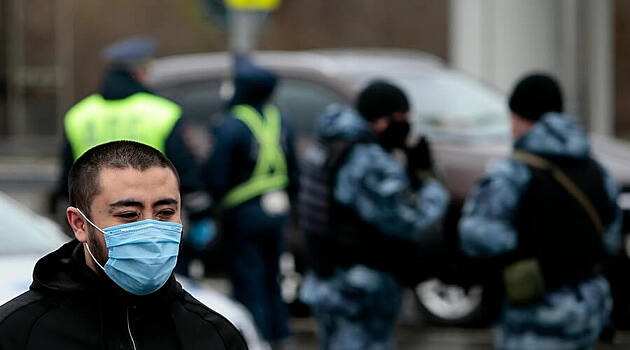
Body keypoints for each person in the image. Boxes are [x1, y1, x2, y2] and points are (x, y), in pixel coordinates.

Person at [0, 141, 247, 349]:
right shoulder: (19, 333)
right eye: (129, 215)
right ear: (79, 224)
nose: (151, 229)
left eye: (165, 212)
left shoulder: (214, 335)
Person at [458, 73, 622, 350]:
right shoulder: (598, 171)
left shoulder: (513, 172)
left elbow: (477, 236)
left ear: (521, 118)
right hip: (589, 308)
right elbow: (610, 239)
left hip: (535, 311)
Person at [298, 81, 449, 350]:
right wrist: (429, 182)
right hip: (361, 292)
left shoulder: (327, 145)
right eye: (402, 120)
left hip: (328, 283)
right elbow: (410, 222)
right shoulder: (367, 160)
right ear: (381, 120)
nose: (407, 129)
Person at [55, 35, 212, 272]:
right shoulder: (162, 112)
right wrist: (200, 215)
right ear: (139, 72)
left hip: (98, 226)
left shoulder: (79, 115)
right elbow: (186, 171)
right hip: (153, 221)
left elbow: (66, 179)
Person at [201, 56, 299, 344]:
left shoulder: (232, 125)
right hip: (276, 211)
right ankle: (281, 336)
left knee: (249, 281)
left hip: (245, 215)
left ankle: (256, 341)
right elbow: (294, 169)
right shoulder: (279, 120)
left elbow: (218, 173)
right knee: (273, 280)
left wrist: (210, 206)